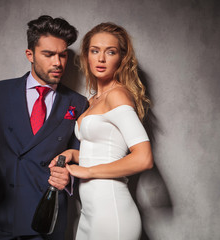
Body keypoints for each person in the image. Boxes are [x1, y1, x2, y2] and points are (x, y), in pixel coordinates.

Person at [0, 15, 88, 240]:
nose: (58, 63)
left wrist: (68, 179)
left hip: (46, 219)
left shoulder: (77, 103)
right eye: (48, 54)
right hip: (1, 216)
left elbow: (81, 156)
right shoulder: (2, 91)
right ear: (29, 54)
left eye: (62, 55)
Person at [52, 22, 154, 239]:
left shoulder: (118, 95)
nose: (101, 59)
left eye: (111, 52)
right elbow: (105, 151)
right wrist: (73, 155)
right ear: (86, 56)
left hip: (112, 211)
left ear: (122, 58)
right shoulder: (93, 100)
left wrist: (87, 171)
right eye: (95, 51)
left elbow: (144, 158)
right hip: (90, 213)